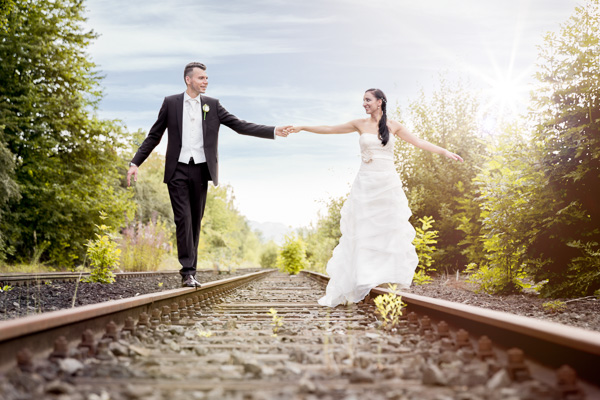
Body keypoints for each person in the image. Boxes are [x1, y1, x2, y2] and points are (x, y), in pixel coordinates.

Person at [289, 88, 463, 307]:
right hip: (366, 184)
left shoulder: (394, 126)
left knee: (387, 229)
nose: (364, 103)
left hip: (387, 183)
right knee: (363, 231)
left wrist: (445, 152)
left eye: (368, 100)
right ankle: (362, 278)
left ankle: (385, 277)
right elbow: (329, 128)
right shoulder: (359, 124)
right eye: (363, 100)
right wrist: (303, 127)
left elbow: (418, 142)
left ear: (380, 102)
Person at [127, 62, 291, 287]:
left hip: (201, 170)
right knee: (183, 219)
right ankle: (187, 272)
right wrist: (136, 162)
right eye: (201, 78)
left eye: (206, 78)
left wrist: (272, 130)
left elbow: (239, 125)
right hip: (176, 170)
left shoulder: (212, 105)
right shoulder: (170, 103)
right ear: (189, 80)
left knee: (195, 221)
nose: (206, 81)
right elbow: (154, 135)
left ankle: (190, 272)